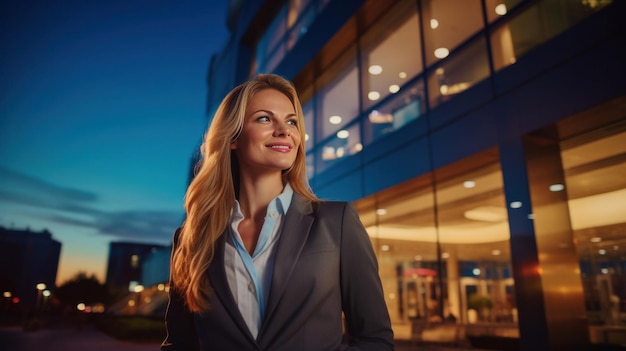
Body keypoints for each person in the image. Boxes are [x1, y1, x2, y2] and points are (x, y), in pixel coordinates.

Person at [161, 73, 394, 351]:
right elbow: (179, 344)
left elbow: (375, 340)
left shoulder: (337, 222)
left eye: (292, 121)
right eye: (264, 118)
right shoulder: (191, 239)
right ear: (232, 137)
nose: (285, 131)